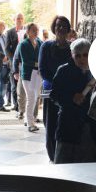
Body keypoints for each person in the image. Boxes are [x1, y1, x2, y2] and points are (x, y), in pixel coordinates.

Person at [51, 38, 96, 164]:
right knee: (65, 166)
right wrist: (71, 98)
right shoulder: (63, 71)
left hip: (89, 126)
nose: (82, 59)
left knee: (89, 167)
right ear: (72, 55)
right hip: (68, 124)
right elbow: (54, 95)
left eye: (85, 55)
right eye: (77, 56)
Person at [39, 16, 72, 162]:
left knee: (65, 124)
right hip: (51, 91)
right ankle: (53, 157)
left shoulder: (73, 47)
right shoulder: (46, 46)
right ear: (54, 28)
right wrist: (57, 84)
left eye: (64, 25)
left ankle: (64, 155)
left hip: (68, 92)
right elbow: (42, 70)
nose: (61, 28)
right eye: (58, 25)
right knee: (50, 123)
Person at [14, 23, 43, 132]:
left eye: (37, 30)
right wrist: (38, 64)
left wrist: (40, 65)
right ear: (28, 32)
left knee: (35, 97)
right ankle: (31, 124)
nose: (36, 32)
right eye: (34, 30)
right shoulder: (23, 44)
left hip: (38, 74)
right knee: (30, 97)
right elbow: (26, 61)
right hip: (28, 74)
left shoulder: (40, 43)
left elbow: (42, 57)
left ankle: (28, 119)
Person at [5, 13, 26, 115]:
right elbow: (6, 48)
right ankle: (17, 107)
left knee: (24, 86)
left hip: (25, 63)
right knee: (14, 86)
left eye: (21, 18)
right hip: (14, 62)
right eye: (18, 18)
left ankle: (24, 106)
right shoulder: (9, 32)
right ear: (14, 20)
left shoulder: (27, 31)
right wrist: (14, 60)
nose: (19, 20)